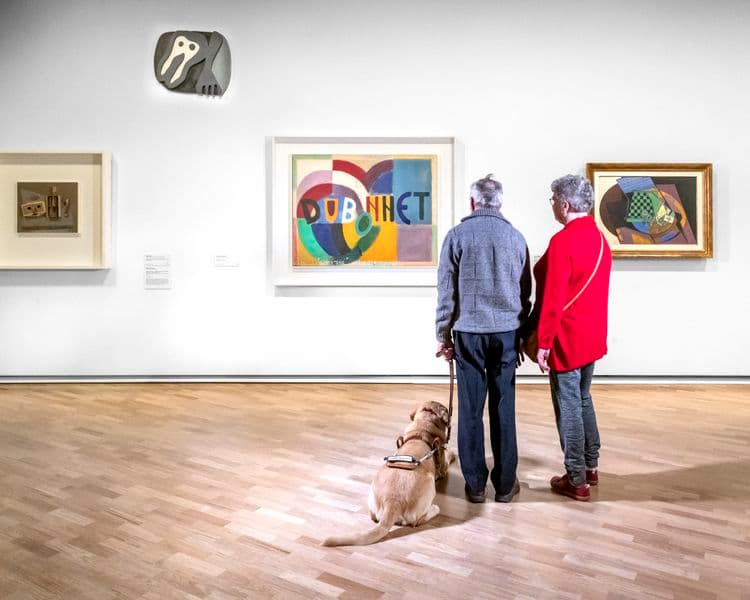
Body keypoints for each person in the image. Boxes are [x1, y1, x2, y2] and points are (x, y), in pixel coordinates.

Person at [435, 174, 531, 503]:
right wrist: (522, 333)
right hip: (506, 334)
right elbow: (525, 292)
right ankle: (505, 485)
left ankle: (475, 485)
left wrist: (442, 334)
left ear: (473, 202)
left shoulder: (456, 236)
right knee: (504, 408)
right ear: (499, 202)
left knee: (470, 409)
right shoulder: (516, 238)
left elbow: (446, 292)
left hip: (469, 334)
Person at [531, 174, 612, 502]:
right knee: (582, 398)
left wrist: (543, 343)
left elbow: (552, 299)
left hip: (566, 336)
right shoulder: (601, 238)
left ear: (564, 204)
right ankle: (591, 465)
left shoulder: (563, 242)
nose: (552, 205)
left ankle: (576, 477)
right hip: (592, 334)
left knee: (568, 404)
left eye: (553, 200)